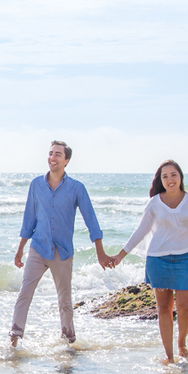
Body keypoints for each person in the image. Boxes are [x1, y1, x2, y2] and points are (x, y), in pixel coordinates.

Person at [111, 160, 188, 363]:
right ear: (160, 180)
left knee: (186, 307)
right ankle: (169, 356)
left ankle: (182, 343)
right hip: (158, 259)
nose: (170, 179)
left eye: (173, 175)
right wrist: (120, 255)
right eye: (165, 176)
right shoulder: (154, 203)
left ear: (180, 177)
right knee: (164, 308)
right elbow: (140, 231)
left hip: (187, 258)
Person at [11, 141, 114, 347]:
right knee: (25, 293)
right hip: (38, 248)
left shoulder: (77, 188)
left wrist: (100, 252)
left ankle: (68, 342)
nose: (52, 158)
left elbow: (91, 220)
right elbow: (29, 220)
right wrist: (20, 248)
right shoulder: (36, 185)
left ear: (66, 161)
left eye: (58, 154)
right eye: (50, 153)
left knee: (64, 301)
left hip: (63, 251)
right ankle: (13, 340)